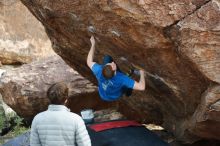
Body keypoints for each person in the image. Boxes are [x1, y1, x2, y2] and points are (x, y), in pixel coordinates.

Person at [87, 36, 145, 101]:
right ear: (115, 71)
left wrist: (93, 44)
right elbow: (142, 87)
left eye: (109, 64)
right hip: (115, 95)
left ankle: (127, 85)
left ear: (103, 67)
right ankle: (128, 92)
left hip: (103, 94)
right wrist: (142, 72)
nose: (112, 63)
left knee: (107, 58)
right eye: (112, 65)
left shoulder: (99, 70)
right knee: (126, 85)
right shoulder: (121, 78)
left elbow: (89, 61)